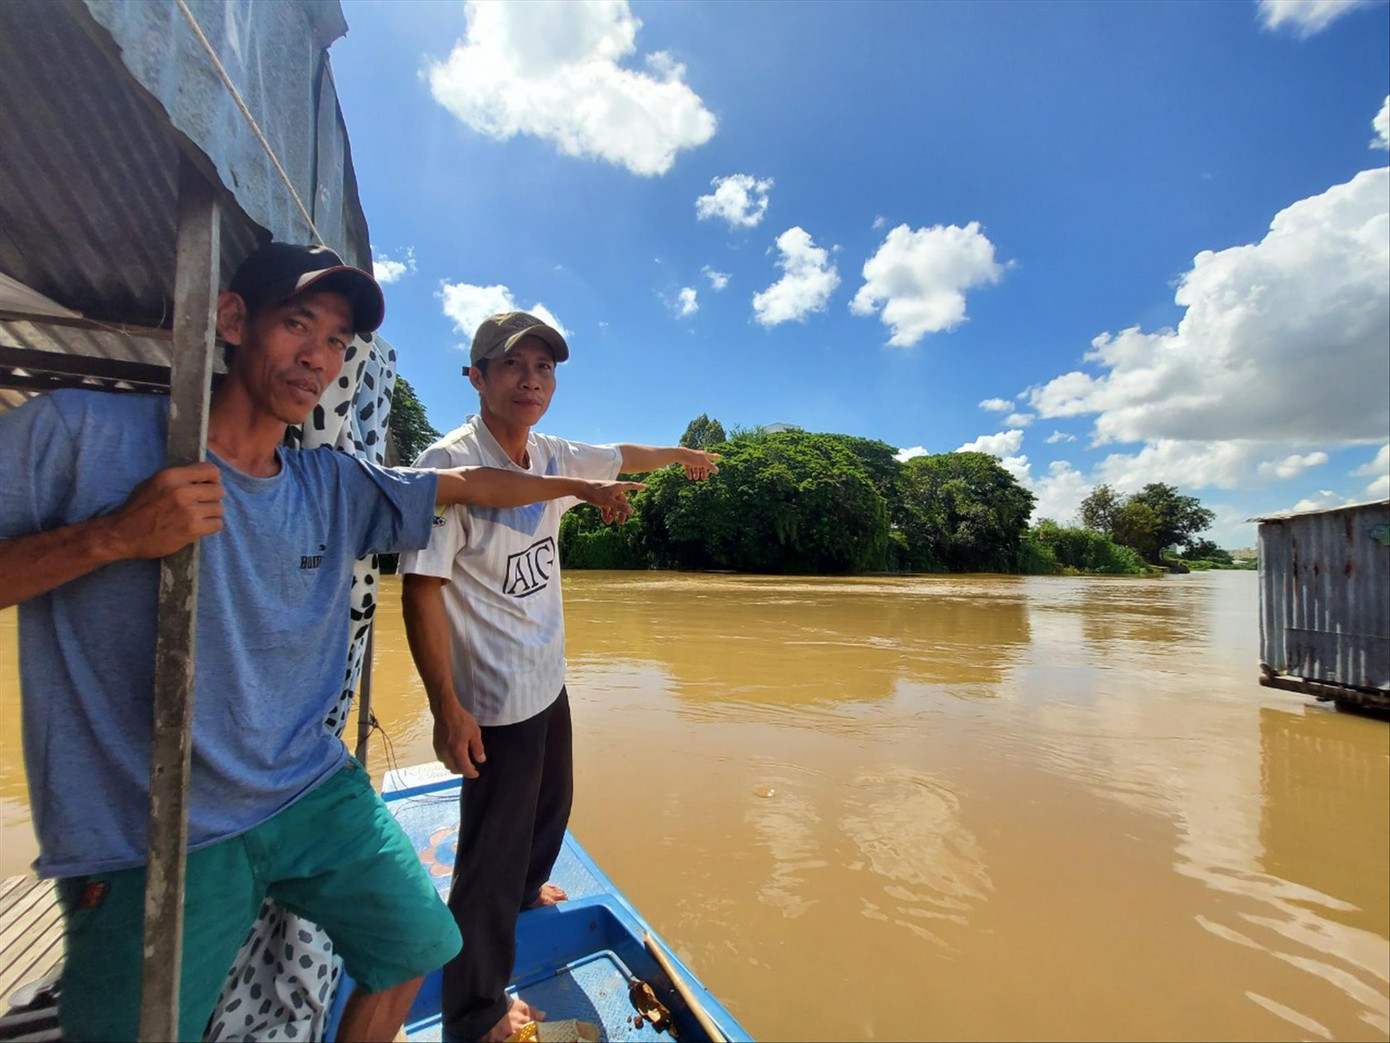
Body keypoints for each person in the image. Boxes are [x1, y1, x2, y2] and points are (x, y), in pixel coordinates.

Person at [0, 244, 643, 1043]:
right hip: (153, 826)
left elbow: (475, 487)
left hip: (306, 793)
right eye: (298, 323)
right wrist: (110, 537)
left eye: (339, 341)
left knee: (418, 943)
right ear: (231, 319)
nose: (319, 356)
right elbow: (429, 582)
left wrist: (578, 486)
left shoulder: (326, 482)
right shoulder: (80, 435)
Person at [399, 311, 719, 1043]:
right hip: (493, 696)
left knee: (554, 803)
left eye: (544, 368)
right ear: (476, 376)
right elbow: (421, 589)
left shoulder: (550, 451)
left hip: (545, 674)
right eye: (513, 366)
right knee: (488, 854)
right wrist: (445, 706)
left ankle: (522, 890)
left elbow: (623, 453)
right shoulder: (446, 461)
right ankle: (475, 1009)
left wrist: (679, 455)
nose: (531, 380)